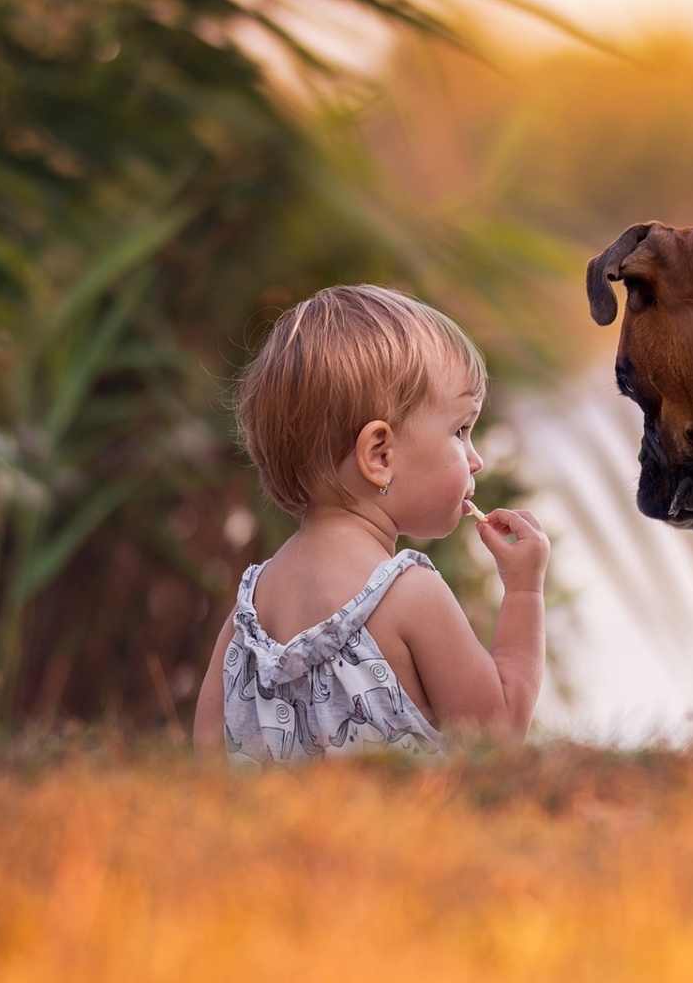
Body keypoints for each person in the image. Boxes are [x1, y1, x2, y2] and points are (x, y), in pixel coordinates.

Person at [192, 284, 548, 764]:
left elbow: (207, 763)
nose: (476, 458)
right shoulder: (409, 594)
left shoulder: (246, 617)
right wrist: (525, 591)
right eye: (460, 431)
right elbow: (496, 739)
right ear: (379, 456)